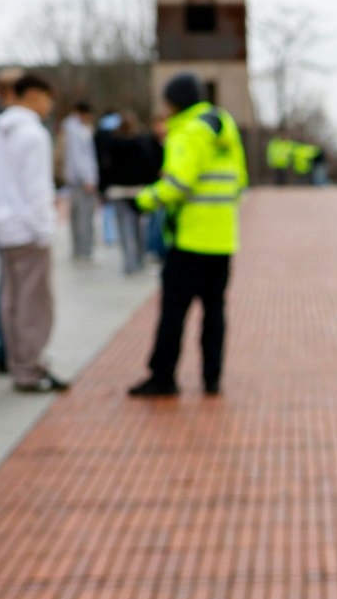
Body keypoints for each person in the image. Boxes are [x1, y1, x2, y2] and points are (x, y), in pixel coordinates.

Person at [129, 71, 245, 398]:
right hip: (222, 239)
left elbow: (178, 183)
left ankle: (163, 377)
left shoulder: (187, 131)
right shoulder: (225, 126)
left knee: (174, 313)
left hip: (189, 239)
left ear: (173, 103)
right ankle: (212, 378)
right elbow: (239, 183)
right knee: (215, 312)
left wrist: (143, 201)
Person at [0, 74, 69, 393]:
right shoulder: (32, 134)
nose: (49, 106)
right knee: (35, 303)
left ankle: (19, 363)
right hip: (28, 230)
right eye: (47, 98)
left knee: (13, 300)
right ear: (33, 95)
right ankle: (30, 368)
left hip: (5, 227)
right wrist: (45, 229)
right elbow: (36, 188)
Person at [97, 110, 158, 274]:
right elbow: (148, 165)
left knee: (124, 228)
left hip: (117, 190)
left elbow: (105, 168)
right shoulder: (140, 142)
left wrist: (103, 188)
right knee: (139, 227)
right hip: (137, 190)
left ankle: (129, 262)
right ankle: (139, 259)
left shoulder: (112, 144)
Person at [61, 101, 100, 262]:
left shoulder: (69, 128)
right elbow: (81, 157)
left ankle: (79, 249)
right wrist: (88, 178)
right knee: (84, 217)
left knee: (77, 216)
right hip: (82, 180)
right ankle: (84, 250)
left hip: (74, 179)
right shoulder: (78, 130)